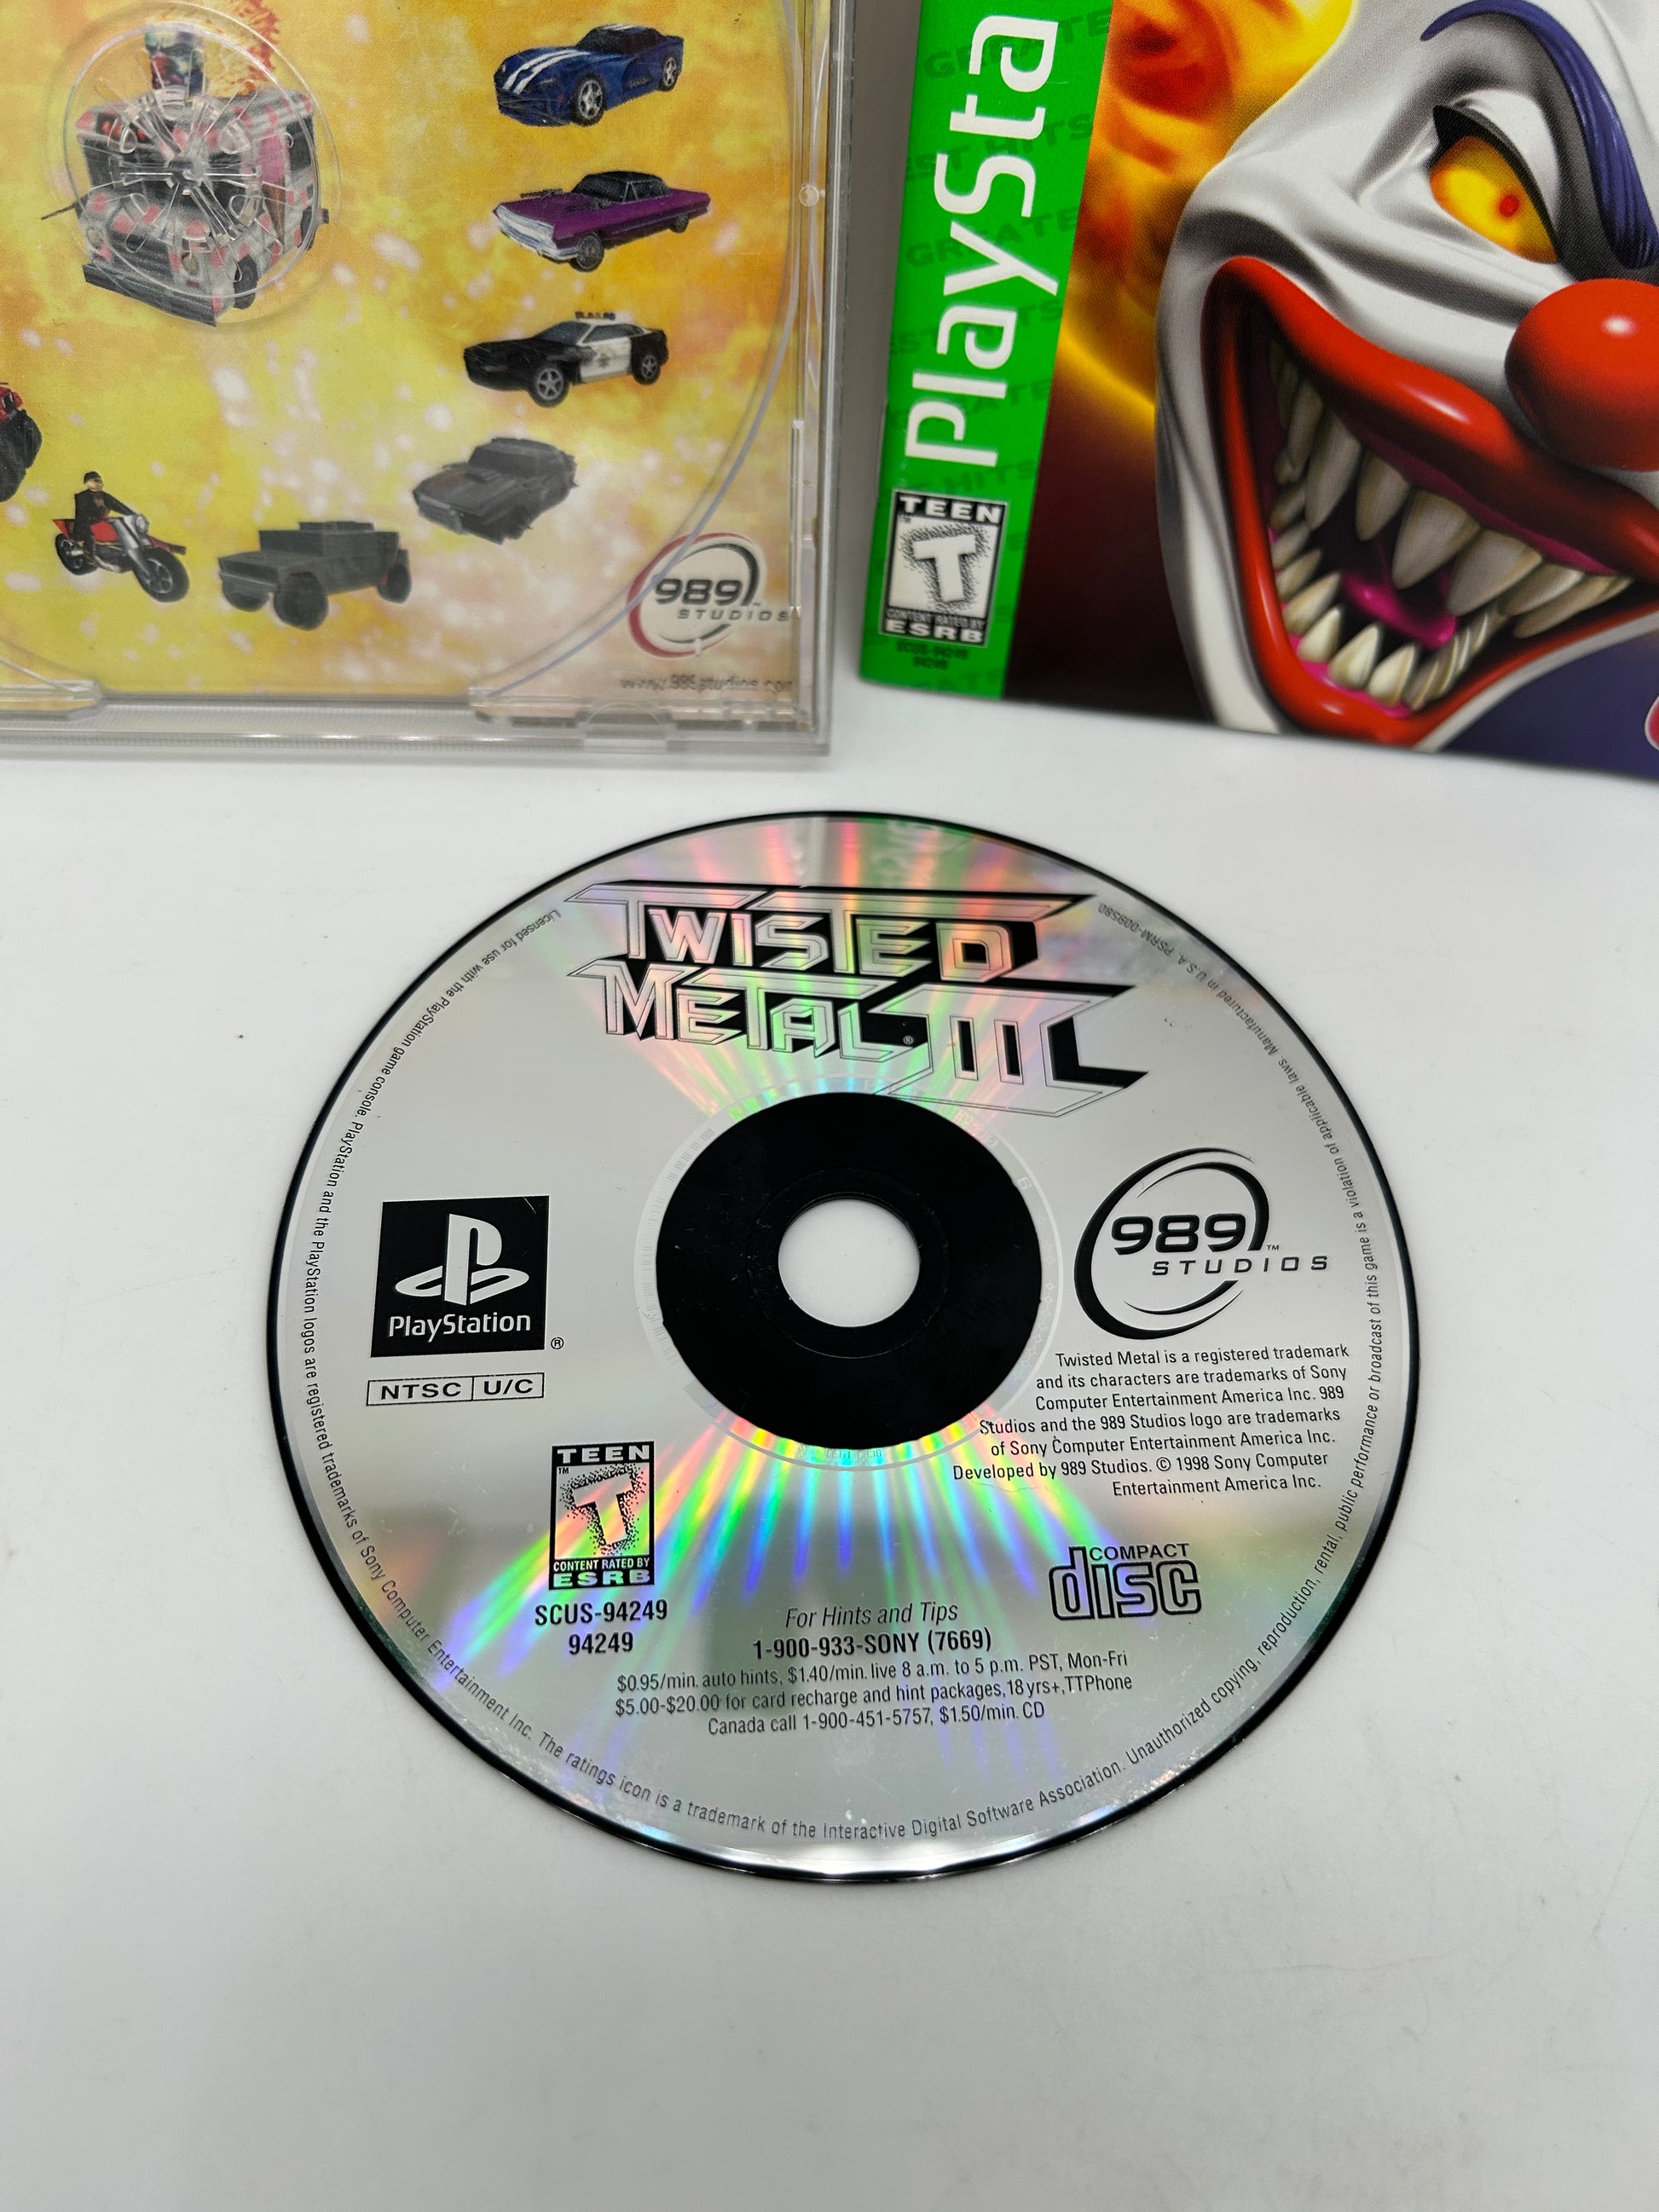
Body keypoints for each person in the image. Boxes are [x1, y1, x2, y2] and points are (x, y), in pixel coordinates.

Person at [72, 471, 133, 552]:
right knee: (91, 545)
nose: (99, 483)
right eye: (96, 480)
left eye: (100, 480)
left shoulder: (105, 496)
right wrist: (80, 537)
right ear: (88, 483)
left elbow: (119, 506)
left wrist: (133, 515)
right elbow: (81, 516)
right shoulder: (82, 497)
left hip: (101, 523)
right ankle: (91, 555)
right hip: (87, 525)